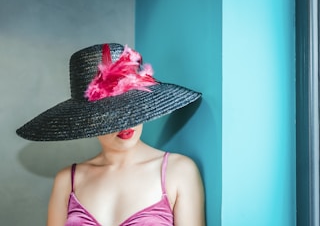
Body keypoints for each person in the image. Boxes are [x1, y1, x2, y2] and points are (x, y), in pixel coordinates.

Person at [16, 43, 205, 226]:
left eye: (130, 108)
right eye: (107, 114)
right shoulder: (67, 180)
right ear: (87, 120)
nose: (124, 123)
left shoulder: (178, 171)